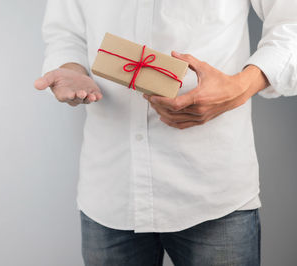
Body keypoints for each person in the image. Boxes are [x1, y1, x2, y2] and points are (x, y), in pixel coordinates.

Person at [34, 0, 297, 265]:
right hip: (111, 188)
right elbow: (66, 33)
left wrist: (238, 89)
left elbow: (291, 23)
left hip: (212, 190)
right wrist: (71, 69)